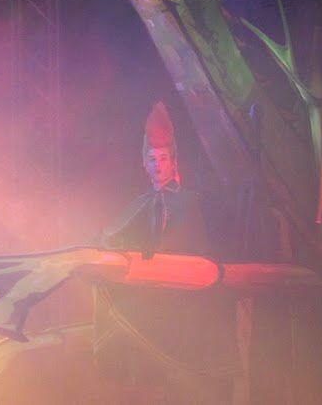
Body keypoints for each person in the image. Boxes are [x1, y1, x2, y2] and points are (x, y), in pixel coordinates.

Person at [93, 101, 240, 404]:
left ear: (174, 162)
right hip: (156, 305)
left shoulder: (194, 202)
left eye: (163, 158)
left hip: (190, 308)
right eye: (152, 159)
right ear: (144, 164)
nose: (158, 165)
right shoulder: (138, 206)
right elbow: (110, 240)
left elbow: (210, 250)